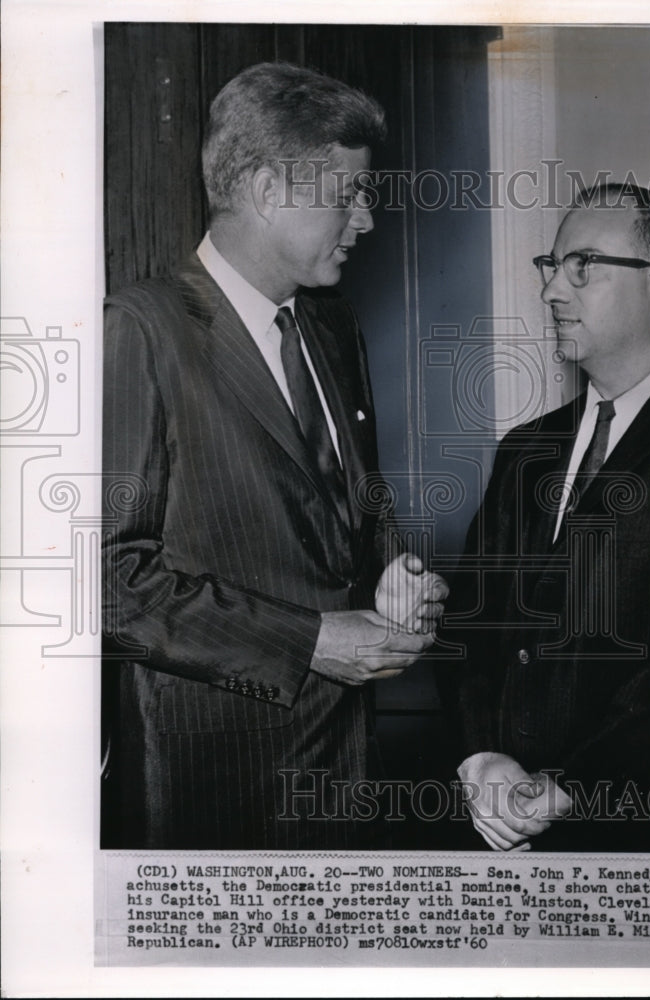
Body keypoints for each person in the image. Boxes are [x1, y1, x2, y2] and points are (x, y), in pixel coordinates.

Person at [101, 62, 447, 850]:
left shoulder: (331, 328)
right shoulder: (140, 330)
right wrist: (315, 641)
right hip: (213, 790)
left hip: (346, 772)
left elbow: (357, 505)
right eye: (346, 196)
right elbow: (108, 586)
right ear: (264, 190)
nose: (363, 220)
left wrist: (398, 573)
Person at [451, 183, 650, 853]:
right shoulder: (524, 450)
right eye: (551, 266)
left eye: (582, 266)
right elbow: (474, 628)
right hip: (502, 834)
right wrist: (481, 759)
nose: (552, 291)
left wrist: (568, 787)